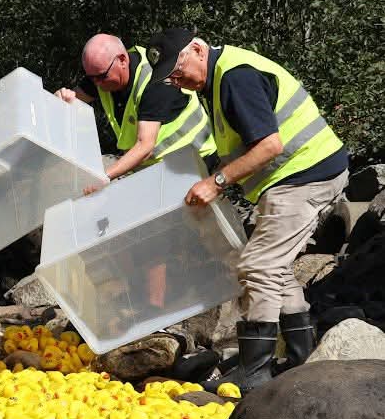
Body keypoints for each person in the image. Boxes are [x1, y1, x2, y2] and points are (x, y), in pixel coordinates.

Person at [146, 28, 349, 391]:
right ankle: (300, 359)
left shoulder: (235, 77)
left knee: (259, 266)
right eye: (171, 79)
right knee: (276, 269)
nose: (177, 84)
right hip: (297, 174)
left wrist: (217, 183)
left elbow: (270, 145)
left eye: (177, 73)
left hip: (305, 174)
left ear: (196, 49)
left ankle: (256, 370)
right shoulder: (217, 78)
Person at [55, 33, 216, 191]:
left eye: (102, 76)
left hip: (195, 166)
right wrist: (60, 98)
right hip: (157, 173)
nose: (97, 83)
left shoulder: (155, 81)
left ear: (122, 60)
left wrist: (103, 177)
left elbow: (145, 146)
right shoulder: (101, 74)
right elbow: (72, 97)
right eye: (92, 78)